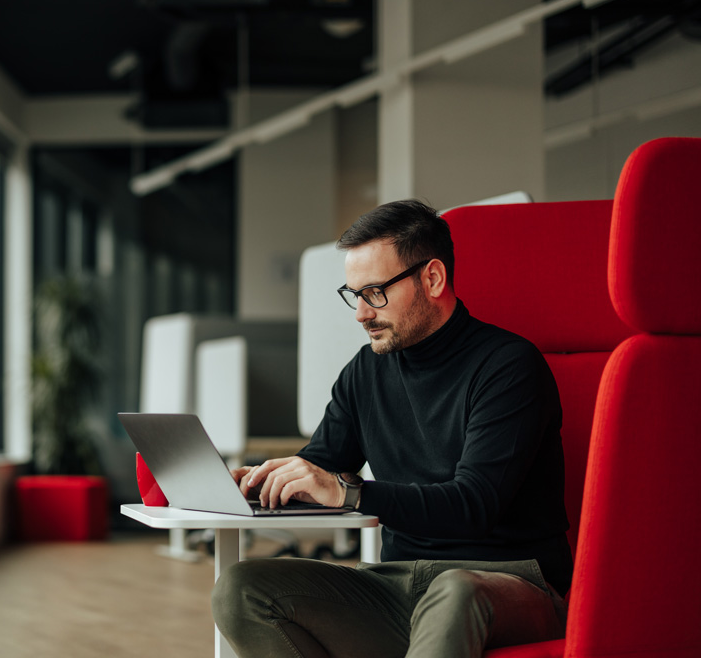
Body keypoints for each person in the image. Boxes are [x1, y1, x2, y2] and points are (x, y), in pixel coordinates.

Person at [212, 199, 571, 658]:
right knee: (241, 589)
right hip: (398, 585)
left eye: (375, 293)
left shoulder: (508, 366)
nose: (361, 313)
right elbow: (320, 465)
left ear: (433, 279)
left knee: (455, 592)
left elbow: (474, 503)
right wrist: (258, 481)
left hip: (507, 582)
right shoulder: (365, 372)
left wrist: (350, 492)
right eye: (354, 294)